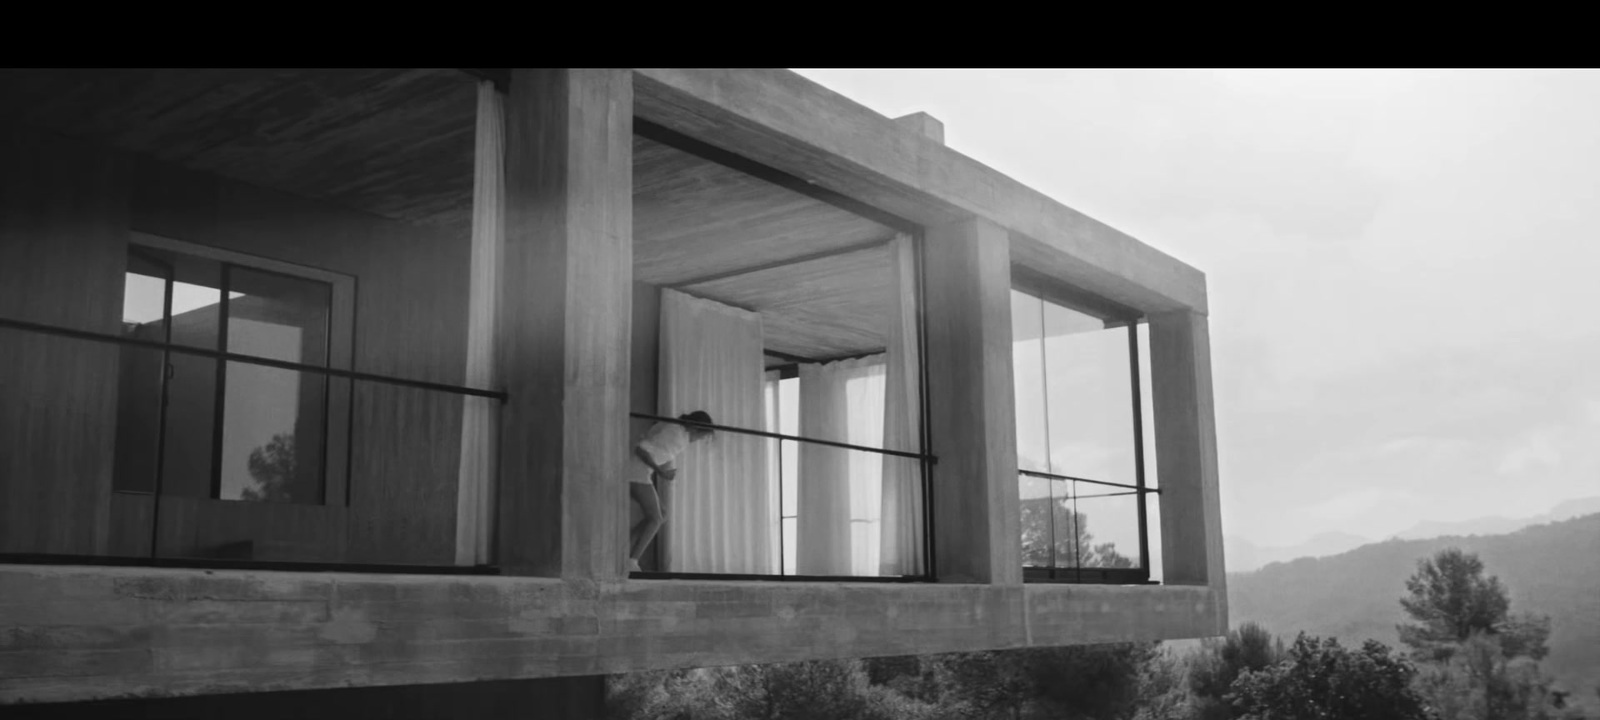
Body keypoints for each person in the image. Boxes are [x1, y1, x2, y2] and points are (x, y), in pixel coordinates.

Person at [628, 410, 715, 573]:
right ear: (696, 428)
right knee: (656, 518)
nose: (700, 439)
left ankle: (628, 545)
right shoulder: (676, 434)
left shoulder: (676, 430)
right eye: (702, 435)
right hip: (636, 472)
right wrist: (660, 472)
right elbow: (641, 450)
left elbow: (649, 447)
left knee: (661, 513)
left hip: (639, 470)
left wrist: (661, 470)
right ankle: (632, 560)